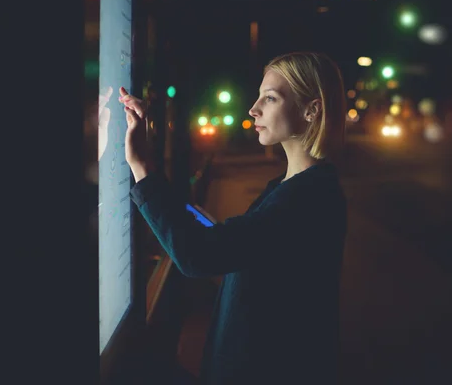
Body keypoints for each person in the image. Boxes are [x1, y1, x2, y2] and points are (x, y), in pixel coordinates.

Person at [119, 51, 348, 385]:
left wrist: (142, 169)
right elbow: (224, 239)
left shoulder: (305, 199)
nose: (253, 109)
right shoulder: (292, 187)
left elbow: (200, 254)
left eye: (270, 98)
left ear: (311, 110)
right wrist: (170, 194)